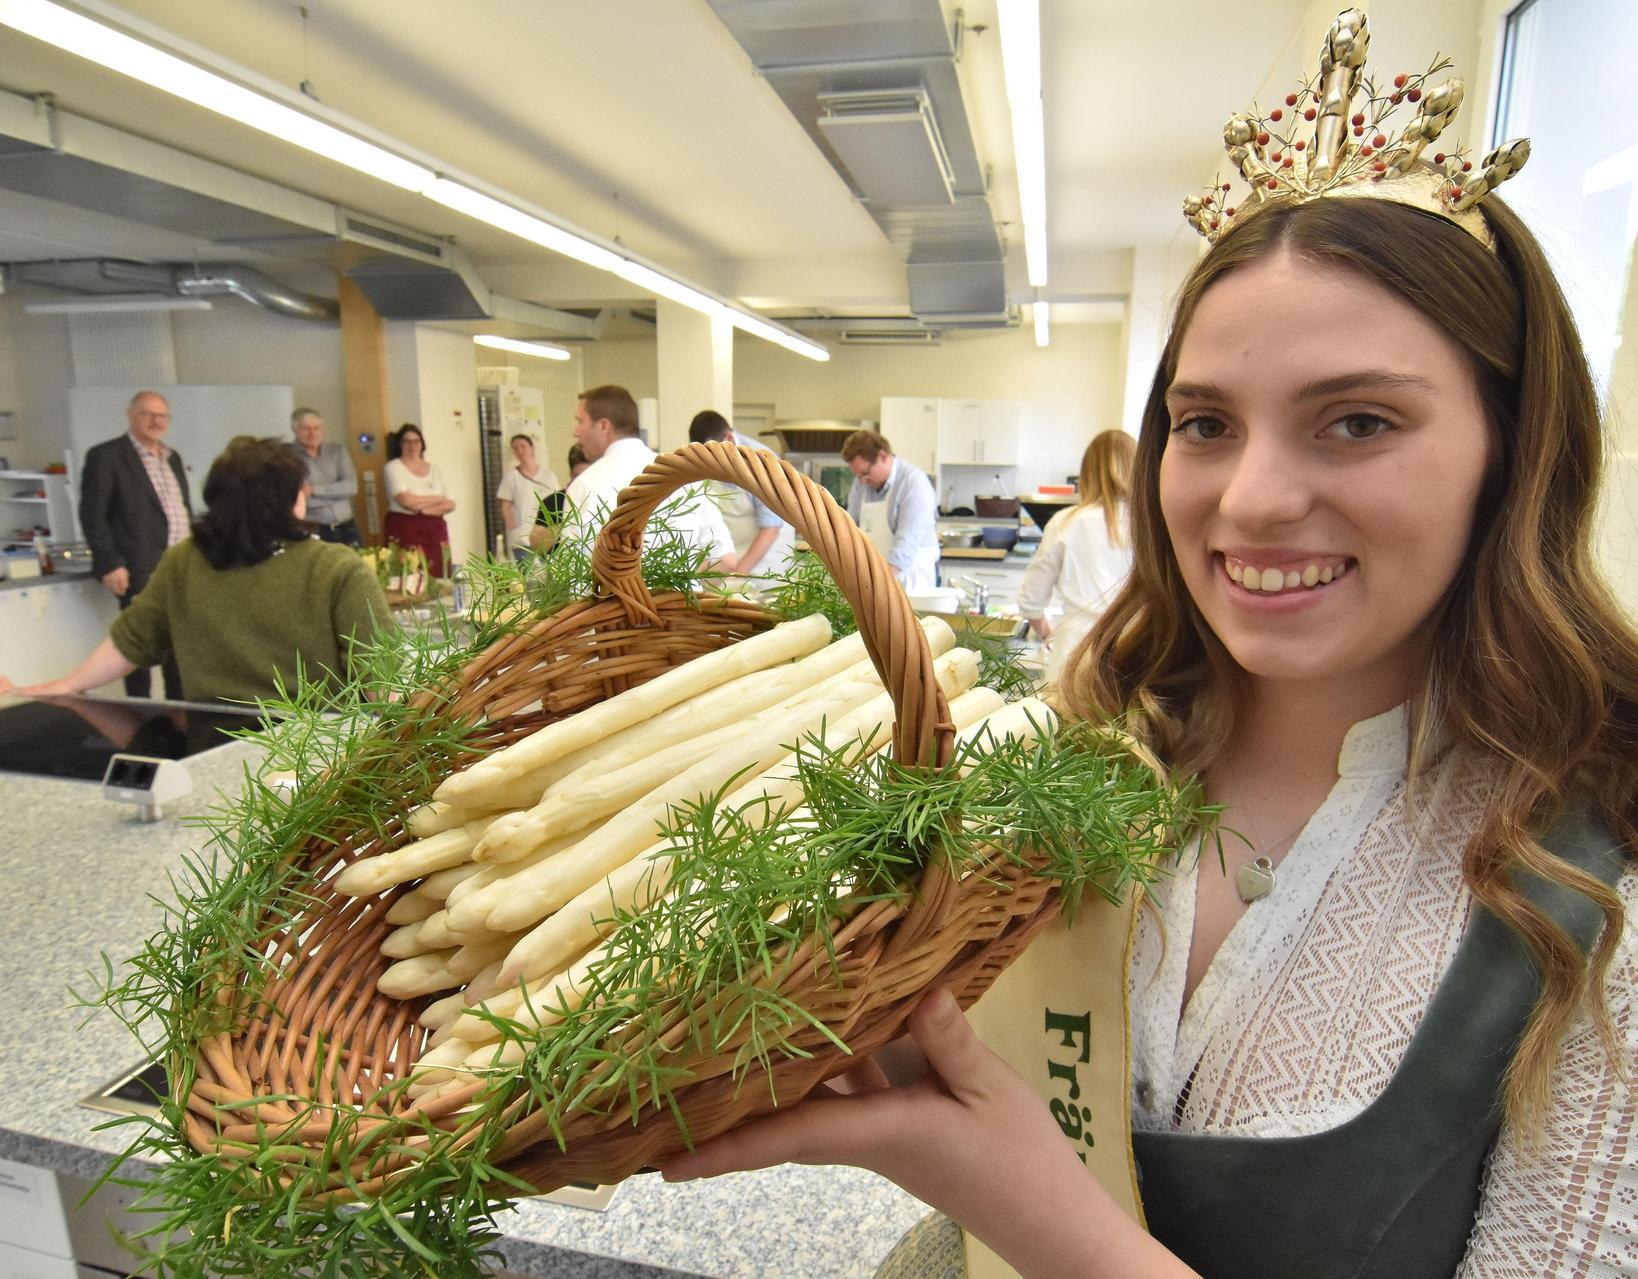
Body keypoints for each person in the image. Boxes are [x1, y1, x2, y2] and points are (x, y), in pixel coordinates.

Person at [655, 16, 1638, 1278]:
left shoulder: (1597, 888)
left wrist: (1009, 1189)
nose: (1251, 500)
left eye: (1355, 421)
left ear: (1515, 449)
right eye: (1207, 422)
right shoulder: (1085, 750)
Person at [6, 437, 391, 704]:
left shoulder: (186, 560)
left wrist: (69, 684)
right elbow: (381, 677)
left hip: (211, 743)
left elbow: (131, 640)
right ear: (290, 499)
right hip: (314, 748)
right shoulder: (337, 567)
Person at [79, 389, 192, 700]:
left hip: (179, 565)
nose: (156, 421)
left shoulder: (172, 457)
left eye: (162, 415)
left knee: (177, 642)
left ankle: (180, 710)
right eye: (147, 414)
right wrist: (110, 562)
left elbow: (181, 508)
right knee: (138, 644)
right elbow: (93, 514)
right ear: (131, 416)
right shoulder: (107, 456)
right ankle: (141, 715)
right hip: (137, 564)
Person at [560, 385, 736, 571]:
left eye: (580, 421)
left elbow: (572, 577)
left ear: (603, 425)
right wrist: (681, 581)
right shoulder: (684, 474)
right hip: (683, 600)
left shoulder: (583, 486)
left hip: (610, 600)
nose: (575, 432)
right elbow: (726, 560)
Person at [1017, 430, 1137, 680]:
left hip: (1075, 653)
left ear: (1087, 473)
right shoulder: (1151, 526)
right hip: (1135, 652)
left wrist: (1046, 633)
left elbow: (1031, 598)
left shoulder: (1066, 522)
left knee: (1068, 719)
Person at [687, 409, 796, 586]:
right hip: (735, 555)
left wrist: (736, 576)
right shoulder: (710, 460)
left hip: (766, 561)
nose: (711, 460)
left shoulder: (761, 463)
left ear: (729, 438)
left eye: (714, 453)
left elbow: (771, 528)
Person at [841, 428, 938, 591]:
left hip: (911, 579)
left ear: (883, 457)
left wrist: (876, 585)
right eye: (858, 476)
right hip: (876, 579)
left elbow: (906, 543)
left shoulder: (913, 483)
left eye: (865, 473)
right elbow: (850, 528)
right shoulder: (860, 484)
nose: (862, 482)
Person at [382, 423, 455, 578]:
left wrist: (423, 509)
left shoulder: (436, 470)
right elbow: (406, 501)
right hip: (404, 528)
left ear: (422, 444)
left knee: (439, 573)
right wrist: (436, 499)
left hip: (434, 530)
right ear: (400, 444)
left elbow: (450, 503)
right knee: (409, 574)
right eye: (407, 441)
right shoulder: (392, 467)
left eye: (416, 441)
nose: (412, 446)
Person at [288, 407, 360, 546]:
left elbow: (352, 487)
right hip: (315, 529)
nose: (312, 433)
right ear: (295, 430)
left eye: (316, 428)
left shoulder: (337, 451)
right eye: (306, 428)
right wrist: (338, 493)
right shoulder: (288, 458)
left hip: (347, 527)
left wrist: (313, 490)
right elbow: (301, 499)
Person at [495, 433, 561, 560]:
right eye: (515, 448)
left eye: (523, 446)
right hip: (522, 538)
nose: (520, 450)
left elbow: (558, 500)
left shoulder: (549, 475)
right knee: (528, 576)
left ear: (532, 448)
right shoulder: (511, 477)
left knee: (549, 576)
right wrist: (514, 528)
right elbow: (505, 507)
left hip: (546, 536)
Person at [531, 443, 588, 551]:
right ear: (571, 473)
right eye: (578, 476)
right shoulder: (552, 502)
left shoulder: (608, 497)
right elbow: (537, 544)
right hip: (560, 565)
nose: (583, 481)